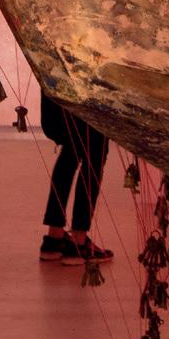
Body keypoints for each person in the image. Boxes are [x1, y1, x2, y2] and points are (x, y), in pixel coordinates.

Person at [38, 92, 114, 265]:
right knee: (94, 156)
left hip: (56, 98)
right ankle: (78, 241)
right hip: (88, 97)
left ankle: (54, 238)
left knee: (70, 153)